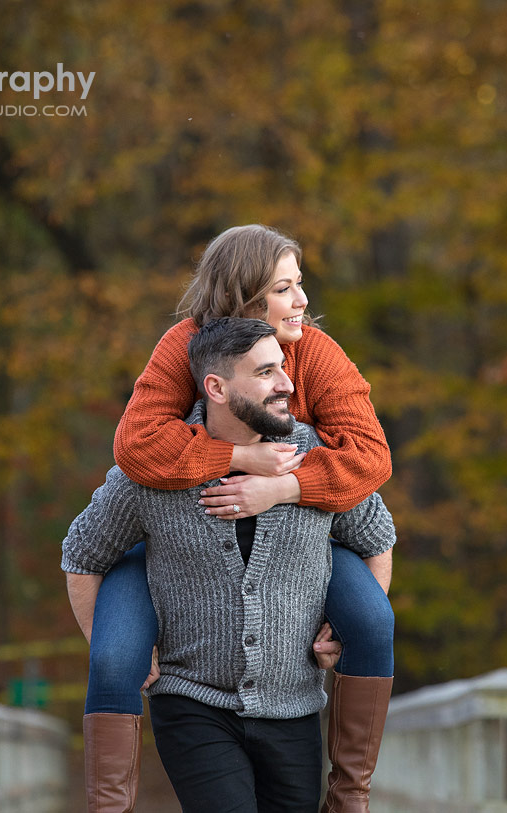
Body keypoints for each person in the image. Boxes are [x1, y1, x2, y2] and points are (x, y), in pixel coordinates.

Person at [84, 224, 396, 812]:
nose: (302, 300)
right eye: (285, 288)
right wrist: (235, 457)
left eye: (299, 285)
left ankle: (350, 798)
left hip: (307, 523)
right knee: (115, 657)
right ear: (245, 296)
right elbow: (137, 448)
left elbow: (370, 459)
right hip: (173, 523)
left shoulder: (318, 353)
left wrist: (280, 486)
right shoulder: (186, 345)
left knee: (374, 625)